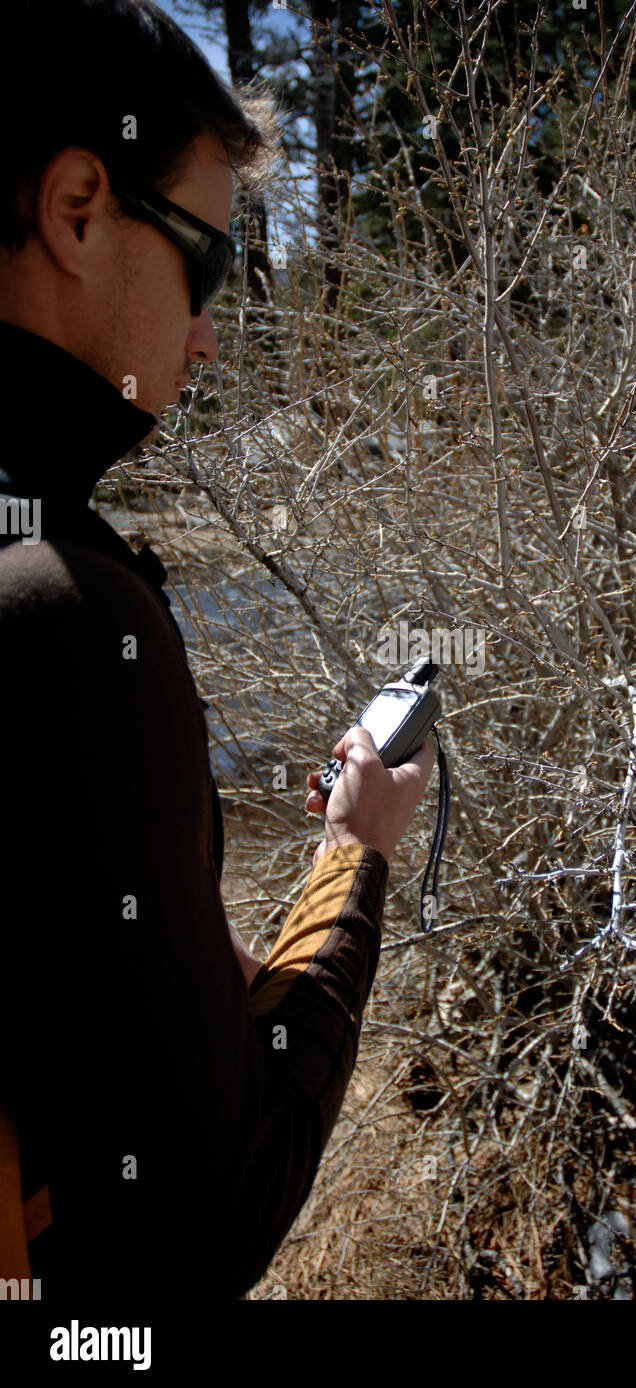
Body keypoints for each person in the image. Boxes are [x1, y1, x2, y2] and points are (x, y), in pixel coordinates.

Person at [0, 0, 433, 1300]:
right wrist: (354, 852)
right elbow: (208, 1213)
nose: (205, 332)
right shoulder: (61, 605)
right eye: (207, 261)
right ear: (79, 208)